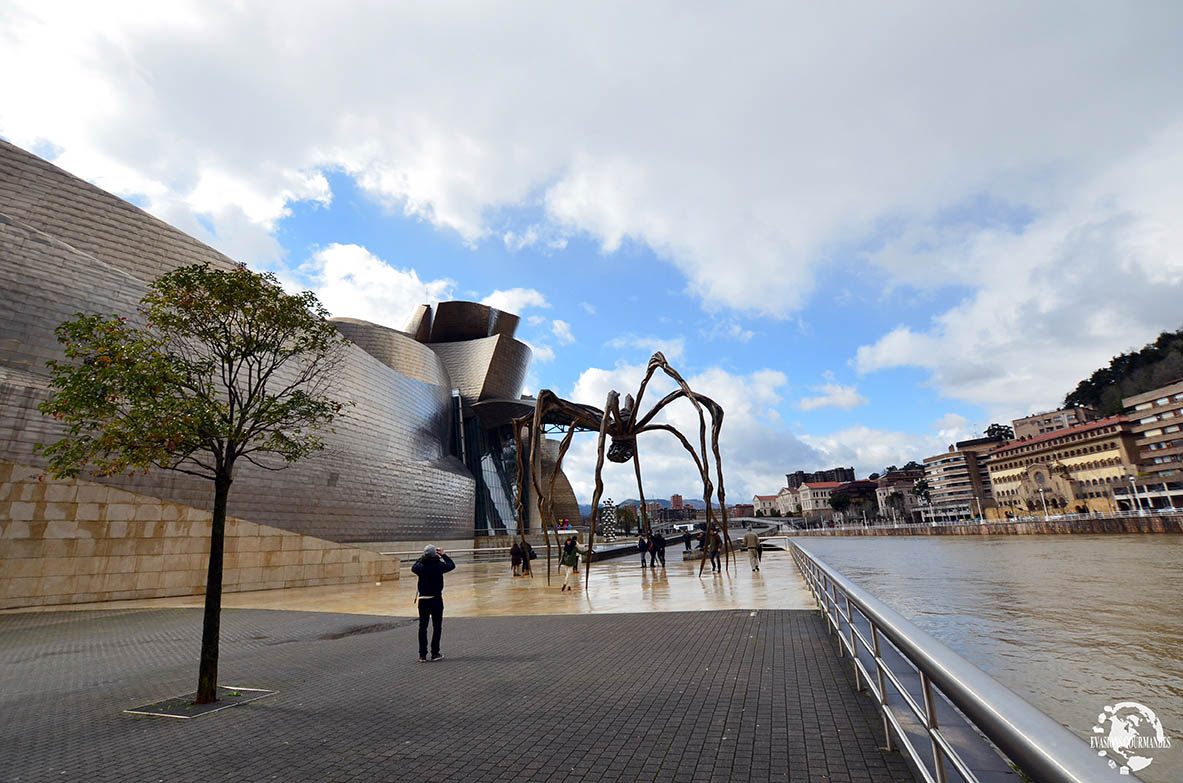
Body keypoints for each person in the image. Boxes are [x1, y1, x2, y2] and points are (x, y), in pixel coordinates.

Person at [411, 545, 455, 662]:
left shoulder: (420, 567)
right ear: (435, 554)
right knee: (437, 627)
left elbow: (413, 567)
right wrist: (443, 554)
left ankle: (422, 655)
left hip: (423, 600)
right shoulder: (439, 566)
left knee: (423, 628)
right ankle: (435, 653)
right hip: (436, 599)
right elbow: (451, 565)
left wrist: (422, 557)